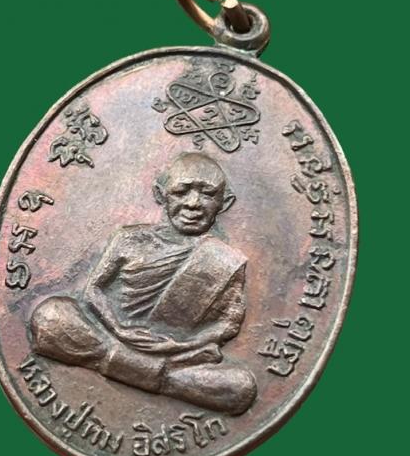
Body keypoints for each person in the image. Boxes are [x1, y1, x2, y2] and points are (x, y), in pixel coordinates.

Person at [30, 153, 256, 415]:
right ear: (161, 195)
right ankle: (162, 379)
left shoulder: (224, 260)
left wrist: (182, 346)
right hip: (111, 335)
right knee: (50, 315)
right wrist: (118, 329)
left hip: (179, 354)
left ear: (225, 203)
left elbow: (229, 323)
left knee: (242, 387)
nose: (193, 203)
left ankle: (123, 364)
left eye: (207, 194)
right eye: (181, 192)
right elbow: (93, 290)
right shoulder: (129, 239)